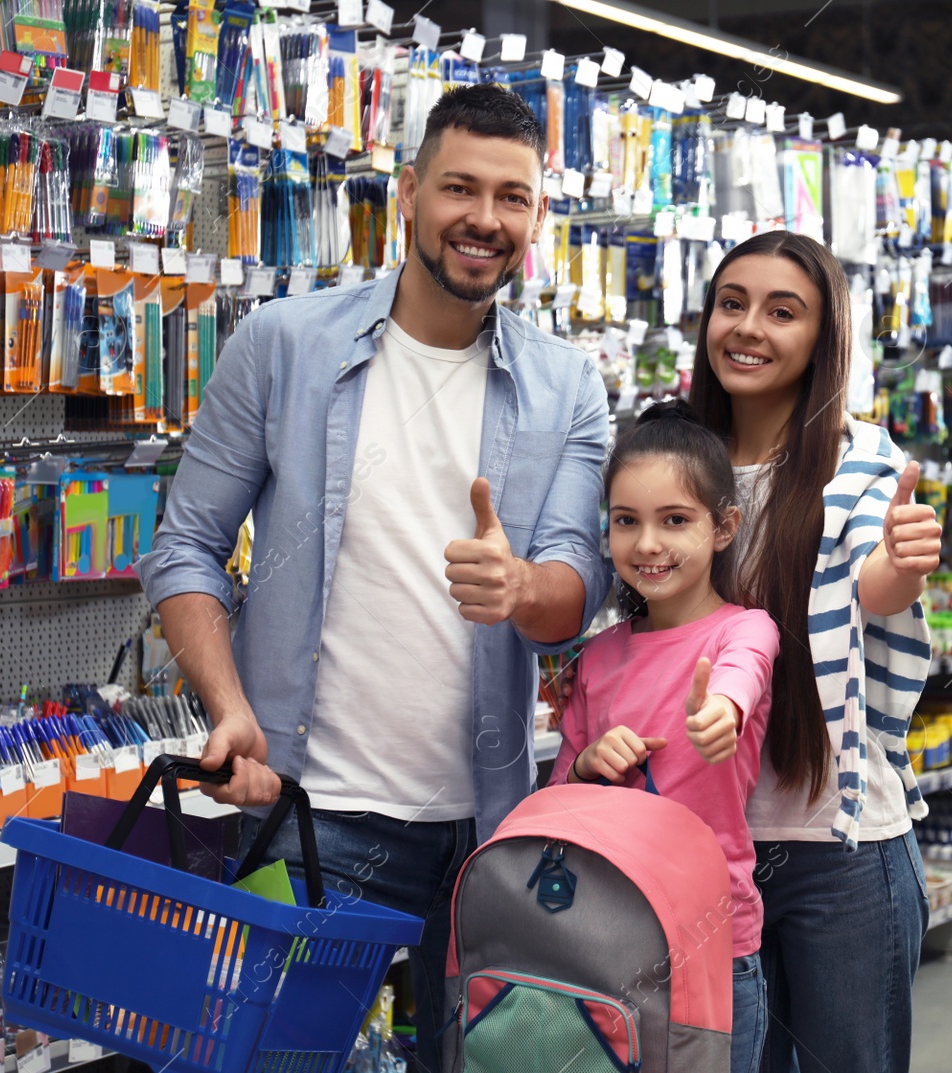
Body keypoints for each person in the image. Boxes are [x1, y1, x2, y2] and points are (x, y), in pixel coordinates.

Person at [135, 83, 609, 1069]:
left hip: (486, 835)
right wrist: (226, 705)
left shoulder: (569, 383)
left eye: (511, 197)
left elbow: (575, 584)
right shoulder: (284, 345)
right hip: (312, 814)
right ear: (408, 193)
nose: (483, 218)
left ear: (536, 217)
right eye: (460, 188)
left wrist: (521, 587)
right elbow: (186, 545)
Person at [688, 230, 943, 1073]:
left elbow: (866, 580)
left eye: (781, 311)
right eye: (733, 303)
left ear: (823, 338)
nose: (749, 327)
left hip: (841, 851)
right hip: (706, 853)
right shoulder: (677, 465)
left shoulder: (857, 463)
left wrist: (900, 566)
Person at [549, 400, 780, 1073]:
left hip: (714, 948)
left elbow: (742, 676)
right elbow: (560, 796)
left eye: (674, 520)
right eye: (627, 521)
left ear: (723, 526)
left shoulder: (743, 629)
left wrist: (723, 715)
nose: (647, 544)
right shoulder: (597, 657)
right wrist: (589, 764)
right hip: (604, 945)